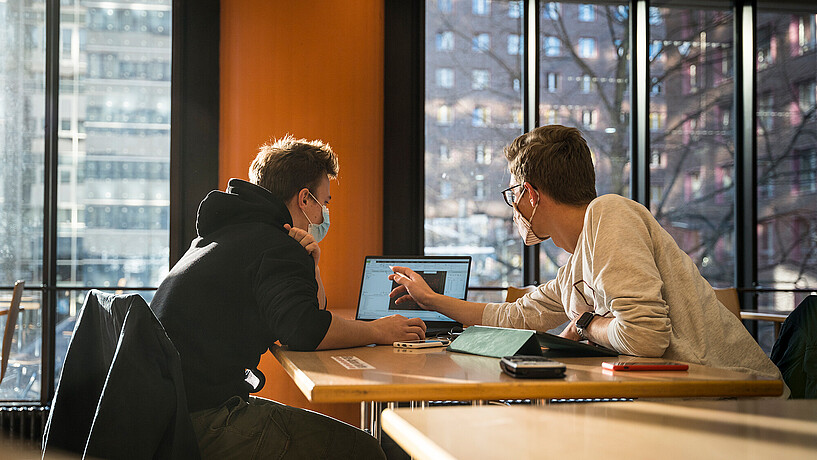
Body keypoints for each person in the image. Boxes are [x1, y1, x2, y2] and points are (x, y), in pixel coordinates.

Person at [389, 125, 786, 390]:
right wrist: (431, 300)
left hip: (737, 398)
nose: (513, 207)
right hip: (689, 396)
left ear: (531, 193)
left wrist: (584, 323)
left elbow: (644, 337)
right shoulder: (579, 259)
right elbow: (515, 316)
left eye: (512, 194)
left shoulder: (610, 214)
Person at [151, 135, 426, 459]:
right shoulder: (273, 246)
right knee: (362, 450)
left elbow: (305, 313)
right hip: (204, 422)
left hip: (167, 416)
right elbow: (305, 331)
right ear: (305, 200)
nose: (324, 212)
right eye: (324, 202)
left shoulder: (226, 234)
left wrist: (312, 266)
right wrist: (380, 330)